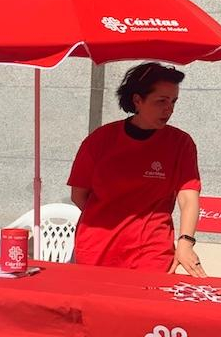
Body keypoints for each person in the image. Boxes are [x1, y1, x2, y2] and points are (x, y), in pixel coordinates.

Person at [67, 62, 206, 277]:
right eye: (161, 101)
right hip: (98, 248)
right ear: (137, 100)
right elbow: (78, 195)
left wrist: (185, 243)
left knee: (148, 307)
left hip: (152, 251)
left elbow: (189, 197)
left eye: (173, 101)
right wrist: (114, 218)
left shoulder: (180, 143)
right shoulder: (100, 140)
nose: (169, 109)